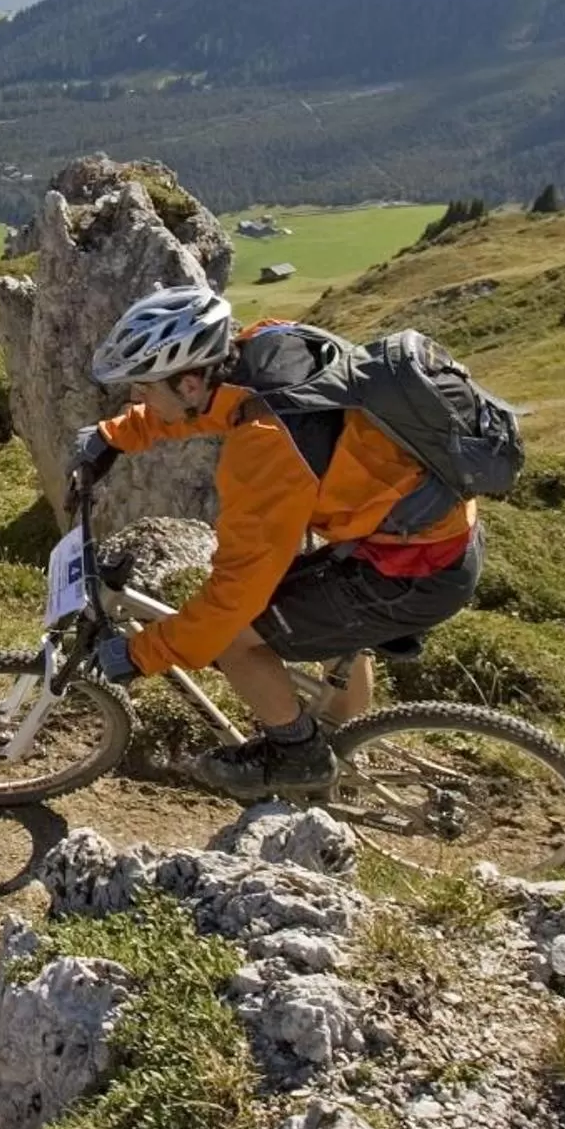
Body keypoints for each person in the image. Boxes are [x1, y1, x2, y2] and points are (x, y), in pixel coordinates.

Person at [70, 283, 483, 798]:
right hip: (426, 533)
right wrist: (118, 434)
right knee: (313, 615)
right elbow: (222, 406)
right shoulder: (269, 343)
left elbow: (233, 597)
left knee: (236, 638)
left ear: (192, 380)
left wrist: (144, 653)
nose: (138, 396)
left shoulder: (266, 451)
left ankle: (298, 754)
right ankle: (341, 743)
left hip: (410, 569)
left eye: (144, 387)